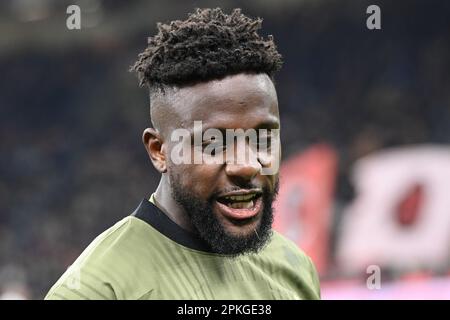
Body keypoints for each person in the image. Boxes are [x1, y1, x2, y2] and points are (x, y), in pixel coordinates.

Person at [45, 8, 320, 300]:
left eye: (262, 138)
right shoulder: (95, 290)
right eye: (215, 143)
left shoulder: (295, 268)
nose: (247, 166)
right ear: (159, 151)